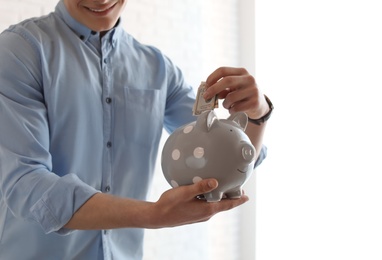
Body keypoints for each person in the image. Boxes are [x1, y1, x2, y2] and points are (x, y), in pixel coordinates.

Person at [0, 0, 272, 259]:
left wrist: (258, 114)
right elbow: (25, 184)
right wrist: (153, 215)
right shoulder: (20, 51)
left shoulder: (158, 68)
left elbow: (232, 159)